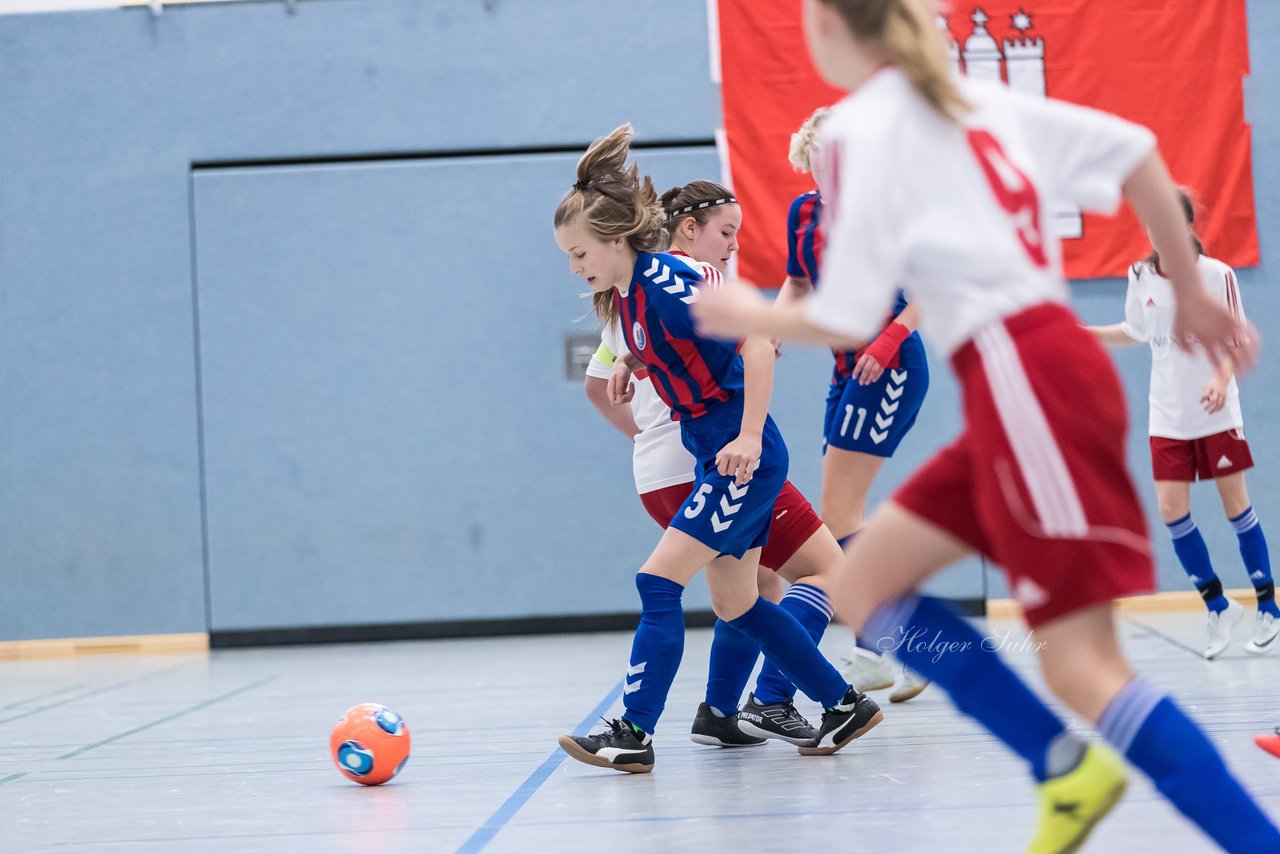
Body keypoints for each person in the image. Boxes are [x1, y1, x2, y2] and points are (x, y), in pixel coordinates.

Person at [691, 0, 1278, 851]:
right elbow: (1141, 156)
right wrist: (1187, 286)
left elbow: (853, 308)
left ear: (826, 27)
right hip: (1017, 386)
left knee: (1084, 667)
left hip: (1028, 382)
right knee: (865, 582)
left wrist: (748, 310)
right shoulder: (980, 99)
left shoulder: (862, 131)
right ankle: (1060, 767)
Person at [554, 124, 881, 775]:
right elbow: (670, 360)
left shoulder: (672, 286)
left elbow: (757, 344)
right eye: (567, 256)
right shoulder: (628, 297)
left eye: (579, 251)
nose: (575, 266)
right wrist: (634, 367)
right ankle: (843, 704)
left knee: (658, 580)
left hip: (743, 460)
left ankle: (634, 732)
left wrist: (750, 435)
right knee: (737, 603)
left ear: (617, 239)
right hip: (715, 457)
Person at [1088, 189, 1277, 659]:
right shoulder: (1140, 275)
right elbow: (1134, 331)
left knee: (1237, 508)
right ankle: (1216, 605)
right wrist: (1079, 335)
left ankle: (1269, 606)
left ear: (1189, 226)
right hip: (1167, 415)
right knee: (1172, 512)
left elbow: (1236, 338)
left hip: (1216, 412)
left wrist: (1219, 379)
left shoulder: (1217, 276)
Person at [782, 106, 930, 703]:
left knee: (836, 515)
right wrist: (767, 332)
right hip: (844, 368)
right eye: (819, 159)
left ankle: (901, 645)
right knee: (844, 514)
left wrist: (889, 338)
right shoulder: (803, 213)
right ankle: (884, 647)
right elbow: (797, 285)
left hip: (890, 361)